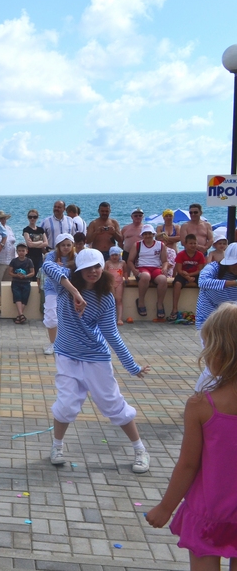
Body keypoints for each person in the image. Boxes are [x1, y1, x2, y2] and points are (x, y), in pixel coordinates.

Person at [42, 248, 152, 473]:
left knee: (113, 404)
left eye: (97, 267)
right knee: (66, 404)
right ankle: (57, 447)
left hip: (96, 357)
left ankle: (140, 449)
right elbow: (47, 265)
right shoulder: (64, 287)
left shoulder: (106, 297)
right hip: (67, 355)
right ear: (78, 270)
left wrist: (132, 366)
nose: (93, 271)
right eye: (87, 268)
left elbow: (112, 334)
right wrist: (75, 292)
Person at [146, 303, 237, 568]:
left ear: (218, 352)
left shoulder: (201, 406)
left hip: (209, 510)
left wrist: (166, 507)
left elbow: (188, 464)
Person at [193, 243, 237, 392]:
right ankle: (199, 397)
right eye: (234, 263)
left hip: (231, 324)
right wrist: (233, 283)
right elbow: (202, 282)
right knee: (213, 364)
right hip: (208, 324)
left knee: (229, 364)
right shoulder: (213, 268)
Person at [128, 224, 169, 320]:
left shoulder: (160, 245)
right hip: (142, 267)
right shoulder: (137, 245)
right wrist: (134, 270)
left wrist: (165, 268)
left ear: (153, 234)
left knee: (163, 279)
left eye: (150, 233)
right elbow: (130, 260)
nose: (148, 236)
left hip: (155, 268)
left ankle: (160, 304)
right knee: (145, 277)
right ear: (142, 235)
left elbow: (165, 261)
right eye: (145, 234)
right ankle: (141, 301)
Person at [42, 233, 74, 355]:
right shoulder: (51, 255)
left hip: (68, 290)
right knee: (51, 316)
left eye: (68, 245)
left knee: (69, 317)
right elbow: (45, 269)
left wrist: (59, 268)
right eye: (63, 245)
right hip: (52, 288)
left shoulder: (75, 257)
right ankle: (53, 343)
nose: (66, 247)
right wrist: (56, 266)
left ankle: (67, 343)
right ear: (58, 246)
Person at [171, 234, 205, 321]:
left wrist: (190, 276)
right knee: (177, 284)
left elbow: (200, 270)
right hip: (183, 274)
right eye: (191, 243)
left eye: (195, 243)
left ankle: (203, 309)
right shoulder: (181, 254)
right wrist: (187, 277)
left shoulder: (200, 255)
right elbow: (179, 270)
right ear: (185, 244)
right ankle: (174, 309)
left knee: (204, 284)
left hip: (195, 274)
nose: (193, 245)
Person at [0, 210, 16, 313]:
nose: (3, 220)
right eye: (0, 219)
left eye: (4, 218)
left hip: (11, 260)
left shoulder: (9, 229)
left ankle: (6, 305)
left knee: (8, 283)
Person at [8, 243, 35, 324]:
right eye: (19, 251)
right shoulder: (14, 261)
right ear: (17, 251)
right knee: (17, 298)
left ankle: (19, 316)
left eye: (23, 251)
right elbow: (10, 272)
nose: (21, 252)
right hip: (16, 282)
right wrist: (16, 275)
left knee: (24, 299)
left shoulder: (29, 261)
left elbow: (32, 272)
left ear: (26, 251)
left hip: (26, 282)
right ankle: (21, 315)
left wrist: (25, 276)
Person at [104, 246, 127, 325]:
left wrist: (126, 279)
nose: (114, 257)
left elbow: (125, 272)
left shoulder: (122, 263)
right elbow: (105, 273)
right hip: (110, 283)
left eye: (116, 255)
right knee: (110, 300)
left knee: (119, 300)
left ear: (119, 255)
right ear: (110, 255)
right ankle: (111, 318)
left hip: (119, 283)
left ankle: (119, 318)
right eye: (112, 255)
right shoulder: (107, 263)